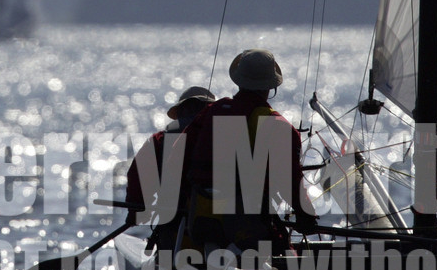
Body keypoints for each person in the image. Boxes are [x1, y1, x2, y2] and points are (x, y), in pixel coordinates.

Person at [175, 49, 318, 252]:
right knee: (288, 256)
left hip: (201, 225)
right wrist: (307, 217)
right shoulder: (278, 126)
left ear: (239, 81)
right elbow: (291, 182)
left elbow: (178, 156)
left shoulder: (212, 111)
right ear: (271, 87)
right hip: (245, 231)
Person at [123, 85, 215, 228]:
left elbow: (138, 177)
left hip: (172, 223)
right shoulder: (226, 137)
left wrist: (137, 210)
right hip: (215, 224)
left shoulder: (159, 141)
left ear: (180, 112)